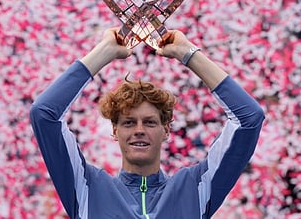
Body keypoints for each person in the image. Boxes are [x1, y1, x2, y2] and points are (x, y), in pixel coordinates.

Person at [30, 27, 265, 218]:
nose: (139, 130)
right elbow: (44, 114)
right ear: (115, 130)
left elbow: (249, 119)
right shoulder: (87, 188)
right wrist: (104, 52)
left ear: (166, 129)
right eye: (129, 123)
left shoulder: (195, 188)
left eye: (150, 123)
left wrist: (188, 53)